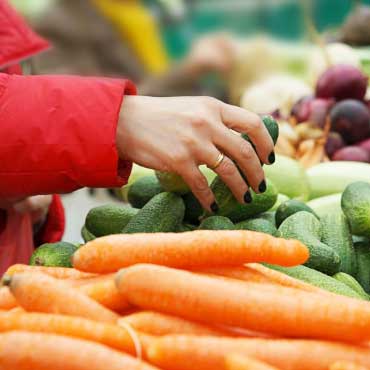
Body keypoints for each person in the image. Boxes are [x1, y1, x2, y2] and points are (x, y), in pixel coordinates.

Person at [0, 0, 274, 269]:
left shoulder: (150, 13)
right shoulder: (63, 21)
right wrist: (120, 118)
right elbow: (58, 97)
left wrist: (26, 203)